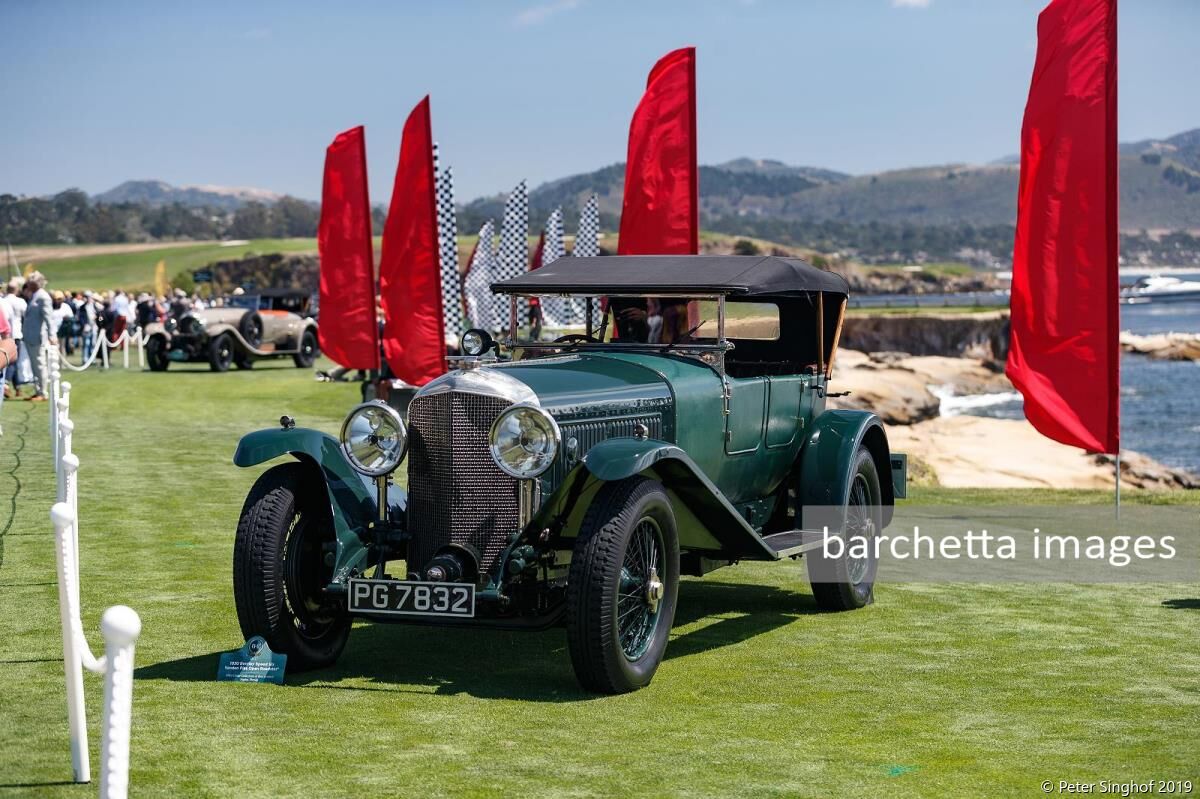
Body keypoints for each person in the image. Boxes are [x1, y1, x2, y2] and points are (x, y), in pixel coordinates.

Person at [22, 271, 56, 401]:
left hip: (37, 337)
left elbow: (49, 318)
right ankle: (38, 390)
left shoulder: (43, 297)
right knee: (34, 366)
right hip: (30, 336)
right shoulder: (34, 296)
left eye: (30, 282)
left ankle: (43, 392)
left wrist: (52, 335)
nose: (28, 284)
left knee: (40, 365)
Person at [3, 278, 28, 398]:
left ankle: (17, 387)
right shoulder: (20, 302)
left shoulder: (4, 301)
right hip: (15, 333)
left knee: (13, 362)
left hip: (7, 334)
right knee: (13, 362)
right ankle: (6, 384)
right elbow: (26, 317)